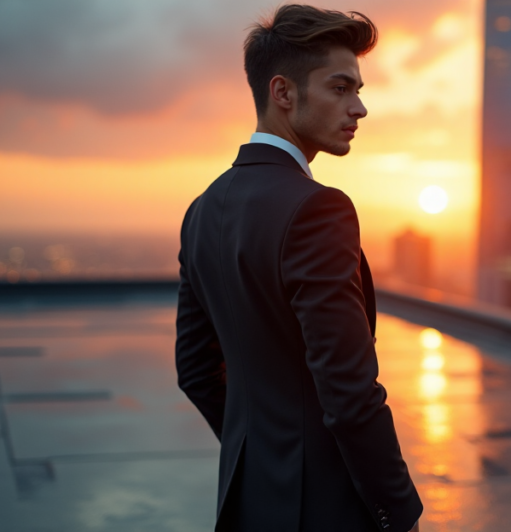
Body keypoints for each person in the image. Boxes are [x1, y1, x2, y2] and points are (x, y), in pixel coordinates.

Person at [175, 5, 422, 531]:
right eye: (340, 88)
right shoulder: (317, 208)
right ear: (283, 93)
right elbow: (349, 392)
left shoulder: (202, 209)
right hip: (324, 511)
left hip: (247, 501)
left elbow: (195, 371)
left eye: (358, 90)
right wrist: (398, 511)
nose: (359, 108)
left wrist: (268, 450)